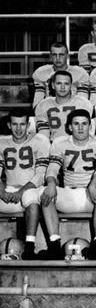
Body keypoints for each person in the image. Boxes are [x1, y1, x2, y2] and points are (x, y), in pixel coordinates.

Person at [38, 109, 96, 259]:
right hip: (69, 192)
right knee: (45, 193)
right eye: (76, 124)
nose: (80, 127)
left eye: (84, 124)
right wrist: (51, 184)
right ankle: (54, 245)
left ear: (90, 126)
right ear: (70, 127)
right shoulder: (60, 143)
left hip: (90, 194)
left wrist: (92, 185)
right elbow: (52, 168)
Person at [0, 109, 49, 259]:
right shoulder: (2, 142)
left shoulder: (39, 141)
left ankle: (29, 247)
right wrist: (2, 192)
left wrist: (20, 192)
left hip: (29, 190)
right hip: (8, 191)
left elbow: (40, 175)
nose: (18, 128)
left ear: (28, 125)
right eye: (15, 124)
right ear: (9, 125)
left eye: (22, 124)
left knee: (32, 201)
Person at [35, 71, 94, 141]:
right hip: (54, 145)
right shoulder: (44, 105)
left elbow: (89, 133)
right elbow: (44, 135)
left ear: (71, 86)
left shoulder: (83, 104)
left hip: (78, 145)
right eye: (59, 83)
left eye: (66, 84)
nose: (62, 87)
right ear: (53, 85)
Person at [32, 42, 89, 107]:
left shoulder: (80, 73)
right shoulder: (41, 73)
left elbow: (83, 102)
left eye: (61, 55)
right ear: (50, 56)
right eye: (54, 55)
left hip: (73, 109)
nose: (58, 58)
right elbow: (37, 104)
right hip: (49, 109)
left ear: (67, 56)